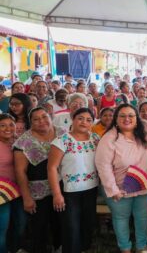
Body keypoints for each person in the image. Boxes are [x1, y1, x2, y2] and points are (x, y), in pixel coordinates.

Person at [95, 104, 147, 253]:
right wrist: (113, 189)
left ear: (137, 118)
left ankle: (142, 246)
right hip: (119, 188)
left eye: (131, 116)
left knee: (143, 218)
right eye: (122, 116)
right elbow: (103, 165)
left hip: (143, 187)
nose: (127, 119)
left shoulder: (146, 131)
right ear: (116, 119)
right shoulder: (109, 138)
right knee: (121, 218)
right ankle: (125, 248)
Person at [47, 108, 100, 253]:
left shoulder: (95, 138)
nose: (84, 122)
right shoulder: (62, 140)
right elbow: (52, 168)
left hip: (91, 189)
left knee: (87, 225)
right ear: (73, 119)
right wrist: (57, 194)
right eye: (80, 118)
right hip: (69, 192)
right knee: (71, 228)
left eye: (89, 120)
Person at [14, 107, 65, 253]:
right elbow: (20, 172)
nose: (41, 121)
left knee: (60, 223)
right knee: (39, 227)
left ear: (50, 116)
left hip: (62, 188)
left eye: (44, 116)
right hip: (37, 192)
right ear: (31, 123)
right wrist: (27, 198)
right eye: (36, 119)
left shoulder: (62, 133)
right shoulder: (23, 141)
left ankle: (59, 247)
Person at [0, 114, 25, 253]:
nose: (8, 128)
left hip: (19, 191)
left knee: (20, 224)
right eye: (2, 125)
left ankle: (14, 249)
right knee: (2, 228)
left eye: (11, 124)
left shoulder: (19, 142)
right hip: (1, 194)